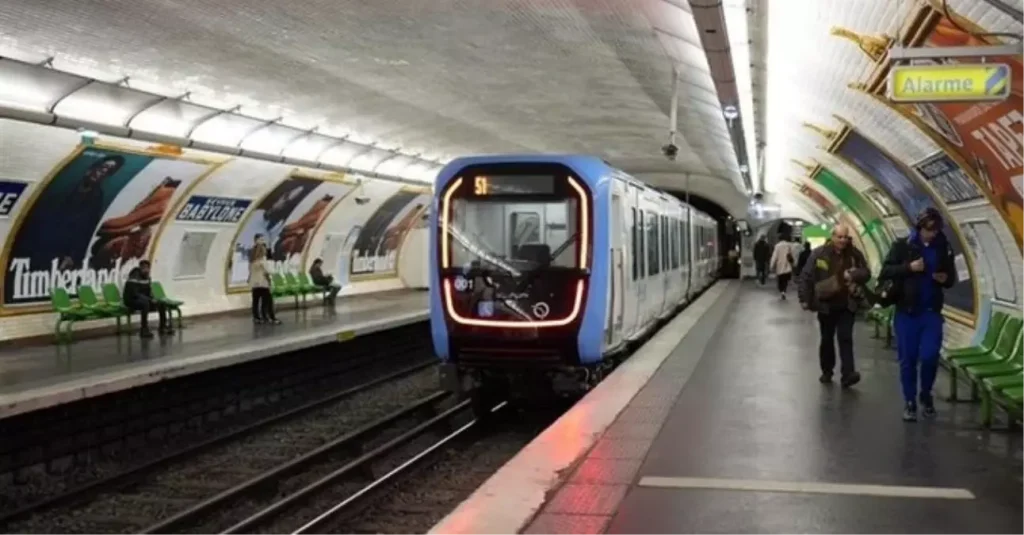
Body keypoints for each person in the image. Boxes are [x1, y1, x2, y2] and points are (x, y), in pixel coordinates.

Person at [878, 208, 957, 421]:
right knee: (908, 359)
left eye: (935, 230)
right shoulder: (903, 246)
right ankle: (910, 400)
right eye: (928, 230)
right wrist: (909, 267)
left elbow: (952, 278)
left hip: (931, 312)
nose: (931, 234)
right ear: (919, 227)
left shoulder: (944, 247)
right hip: (907, 312)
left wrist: (945, 279)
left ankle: (925, 394)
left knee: (930, 356)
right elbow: (885, 271)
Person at [798, 224, 871, 387]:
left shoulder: (854, 254)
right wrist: (804, 298)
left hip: (847, 304)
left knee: (845, 338)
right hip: (826, 305)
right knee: (827, 339)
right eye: (840, 237)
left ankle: (848, 374)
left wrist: (853, 274)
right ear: (832, 237)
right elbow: (806, 276)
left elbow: (866, 272)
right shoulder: (819, 254)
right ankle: (827, 370)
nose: (843, 240)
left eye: (845, 237)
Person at [123, 259, 171, 338]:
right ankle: (144, 329)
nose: (146, 270)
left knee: (161, 304)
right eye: (144, 268)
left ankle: (163, 327)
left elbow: (148, 292)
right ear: (140, 268)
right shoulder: (134, 277)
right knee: (145, 304)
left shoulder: (148, 278)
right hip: (131, 300)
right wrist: (149, 300)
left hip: (143, 299)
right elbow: (135, 294)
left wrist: (152, 299)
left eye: (147, 268)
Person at [249, 235, 281, 325]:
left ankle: (257, 318)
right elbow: (271, 271)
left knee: (255, 302)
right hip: (263, 283)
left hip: (254, 284)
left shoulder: (252, 262)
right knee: (267, 301)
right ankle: (269, 317)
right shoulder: (263, 262)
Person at [769, 233, 795, 299]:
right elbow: (792, 255)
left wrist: (771, 265)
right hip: (787, 265)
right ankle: (784, 291)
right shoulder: (789, 245)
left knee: (780, 280)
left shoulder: (777, 246)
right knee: (785, 280)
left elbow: (774, 256)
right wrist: (794, 263)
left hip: (780, 265)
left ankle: (781, 291)